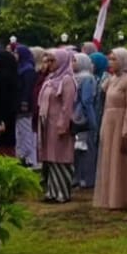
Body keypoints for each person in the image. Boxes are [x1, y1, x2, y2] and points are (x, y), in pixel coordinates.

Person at [93, 48, 127, 211]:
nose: (110, 63)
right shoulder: (111, 80)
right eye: (109, 59)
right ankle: (111, 197)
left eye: (114, 59)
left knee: (123, 161)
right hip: (110, 123)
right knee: (110, 159)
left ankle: (125, 198)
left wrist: (126, 131)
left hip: (122, 123)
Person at [37, 49, 77, 204]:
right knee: (50, 157)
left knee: (61, 157)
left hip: (59, 125)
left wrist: (63, 125)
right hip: (47, 124)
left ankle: (62, 192)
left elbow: (67, 105)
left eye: (52, 61)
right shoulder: (51, 78)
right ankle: (52, 191)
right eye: (48, 61)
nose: (50, 64)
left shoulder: (67, 80)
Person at [72, 53, 100, 190]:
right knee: (79, 149)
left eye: (75, 60)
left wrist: (91, 121)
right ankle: (80, 177)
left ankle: (86, 179)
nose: (72, 63)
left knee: (85, 148)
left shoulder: (87, 78)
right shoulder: (75, 77)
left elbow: (87, 101)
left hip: (83, 118)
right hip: (78, 117)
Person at [15, 45, 38, 167]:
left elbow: (28, 88)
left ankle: (29, 160)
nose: (15, 55)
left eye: (17, 53)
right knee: (20, 133)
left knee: (26, 133)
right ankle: (24, 157)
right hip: (19, 104)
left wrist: (24, 102)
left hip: (25, 107)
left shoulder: (28, 69)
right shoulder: (20, 68)